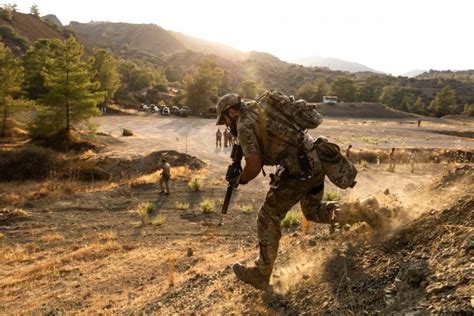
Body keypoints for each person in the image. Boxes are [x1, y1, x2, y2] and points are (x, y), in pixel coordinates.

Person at [215, 93, 366, 291]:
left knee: (267, 217)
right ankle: (363, 211)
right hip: (314, 161)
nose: (226, 124)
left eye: (225, 119)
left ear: (232, 112)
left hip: (299, 170)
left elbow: (253, 165)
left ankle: (261, 273)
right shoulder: (258, 107)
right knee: (312, 211)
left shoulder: (244, 123)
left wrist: (239, 179)